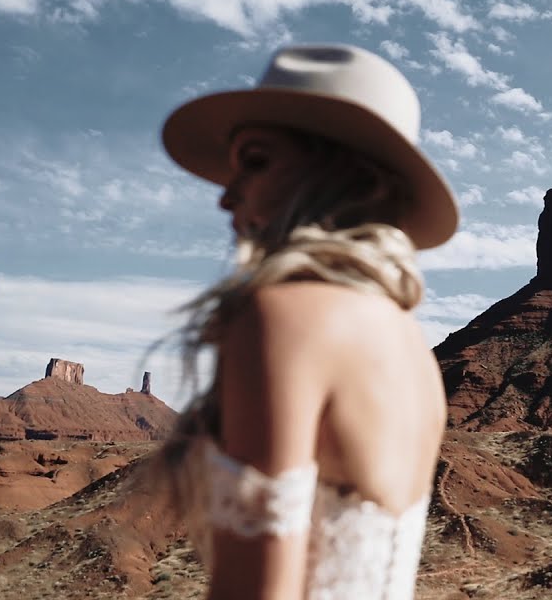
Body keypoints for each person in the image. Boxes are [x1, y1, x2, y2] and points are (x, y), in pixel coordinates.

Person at [140, 44, 459, 599]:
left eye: (256, 161)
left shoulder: (284, 317)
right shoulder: (413, 349)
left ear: (348, 174)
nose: (226, 196)